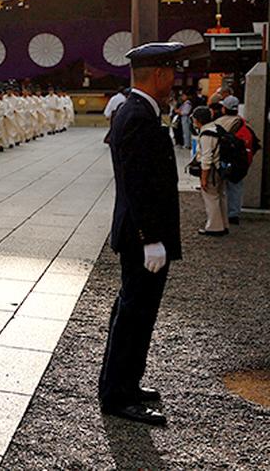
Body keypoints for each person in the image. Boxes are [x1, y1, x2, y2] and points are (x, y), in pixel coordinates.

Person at [100, 42, 188, 427]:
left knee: (136, 312)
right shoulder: (137, 115)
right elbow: (138, 184)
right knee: (134, 314)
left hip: (142, 234)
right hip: (142, 238)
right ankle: (117, 395)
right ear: (159, 75)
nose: (174, 79)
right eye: (171, 72)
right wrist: (150, 236)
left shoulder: (135, 110)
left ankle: (126, 383)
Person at [217, 95, 255, 225]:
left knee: (221, 187)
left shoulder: (221, 122)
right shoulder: (244, 123)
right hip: (241, 161)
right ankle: (234, 213)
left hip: (225, 160)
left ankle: (221, 213)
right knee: (236, 187)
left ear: (224, 108)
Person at [193, 107, 230, 236]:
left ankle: (214, 227)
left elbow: (206, 158)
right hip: (221, 168)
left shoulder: (206, 134)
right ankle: (224, 223)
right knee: (221, 196)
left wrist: (203, 177)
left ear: (198, 120)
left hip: (212, 170)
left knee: (211, 197)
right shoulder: (216, 128)